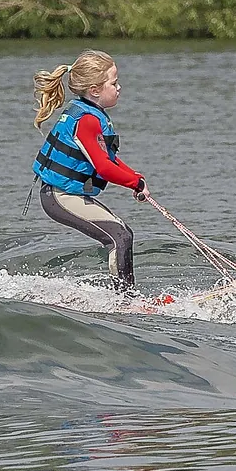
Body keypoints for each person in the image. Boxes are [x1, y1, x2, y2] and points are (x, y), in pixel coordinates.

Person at [30, 49, 149, 291]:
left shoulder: (91, 115)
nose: (119, 88)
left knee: (123, 233)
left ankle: (125, 297)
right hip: (59, 197)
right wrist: (133, 184)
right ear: (95, 90)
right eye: (114, 83)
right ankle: (126, 300)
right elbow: (104, 168)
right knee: (120, 237)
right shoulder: (87, 121)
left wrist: (136, 178)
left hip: (67, 195)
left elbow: (110, 160)